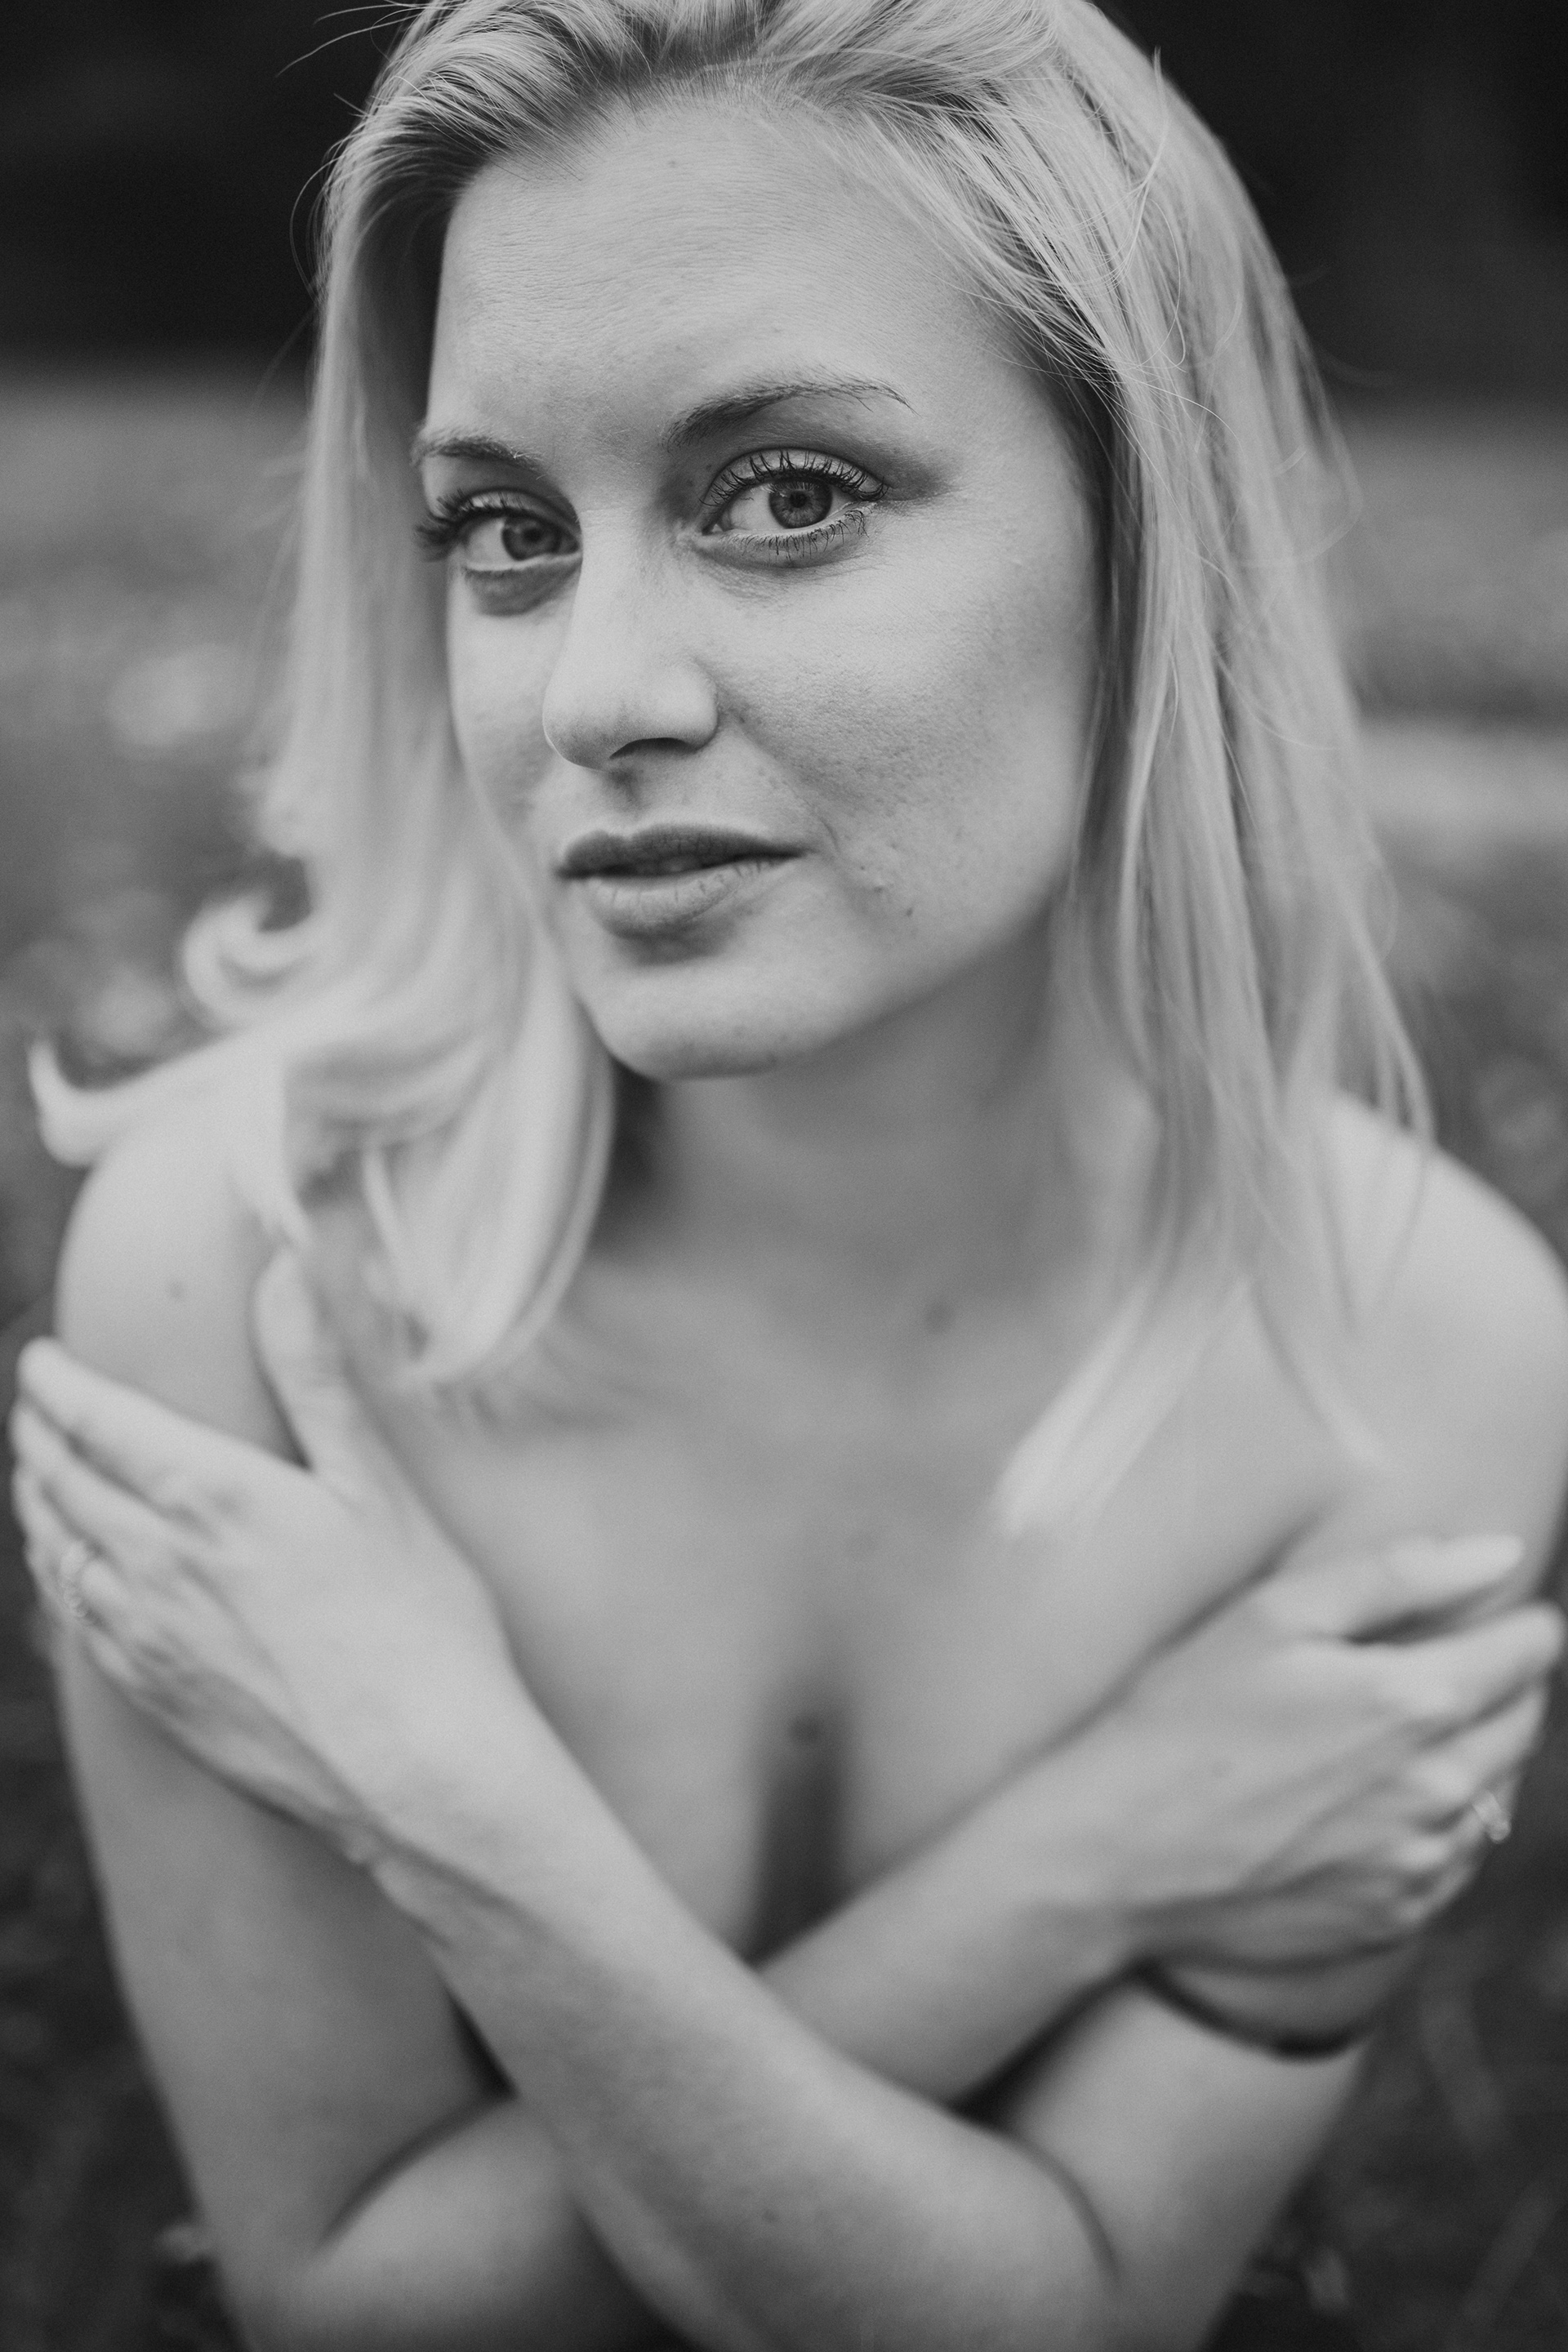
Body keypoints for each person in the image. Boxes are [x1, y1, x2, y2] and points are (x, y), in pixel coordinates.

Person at [9, 3, 1568, 2345]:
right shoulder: (246, 1275)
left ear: (1143, 531)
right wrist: (1089, 1857)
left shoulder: (1417, 1355)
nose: (593, 694)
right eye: (508, 533)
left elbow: (1080, 2310)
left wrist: (454, 1802)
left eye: (790, 497)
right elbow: (350, 2306)